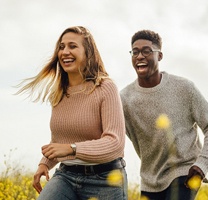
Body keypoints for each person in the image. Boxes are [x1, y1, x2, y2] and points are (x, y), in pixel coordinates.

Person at [17, 26, 127, 200]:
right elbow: (59, 141)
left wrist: (72, 148)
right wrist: (44, 164)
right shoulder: (59, 93)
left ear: (87, 52)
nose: (65, 52)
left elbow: (115, 143)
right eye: (61, 47)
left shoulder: (105, 88)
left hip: (105, 178)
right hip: (66, 176)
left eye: (72, 46)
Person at [120, 29, 208, 200]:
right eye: (135, 52)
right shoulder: (124, 99)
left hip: (185, 170)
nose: (140, 56)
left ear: (159, 56)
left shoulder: (184, 88)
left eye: (146, 51)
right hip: (150, 180)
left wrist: (202, 164)